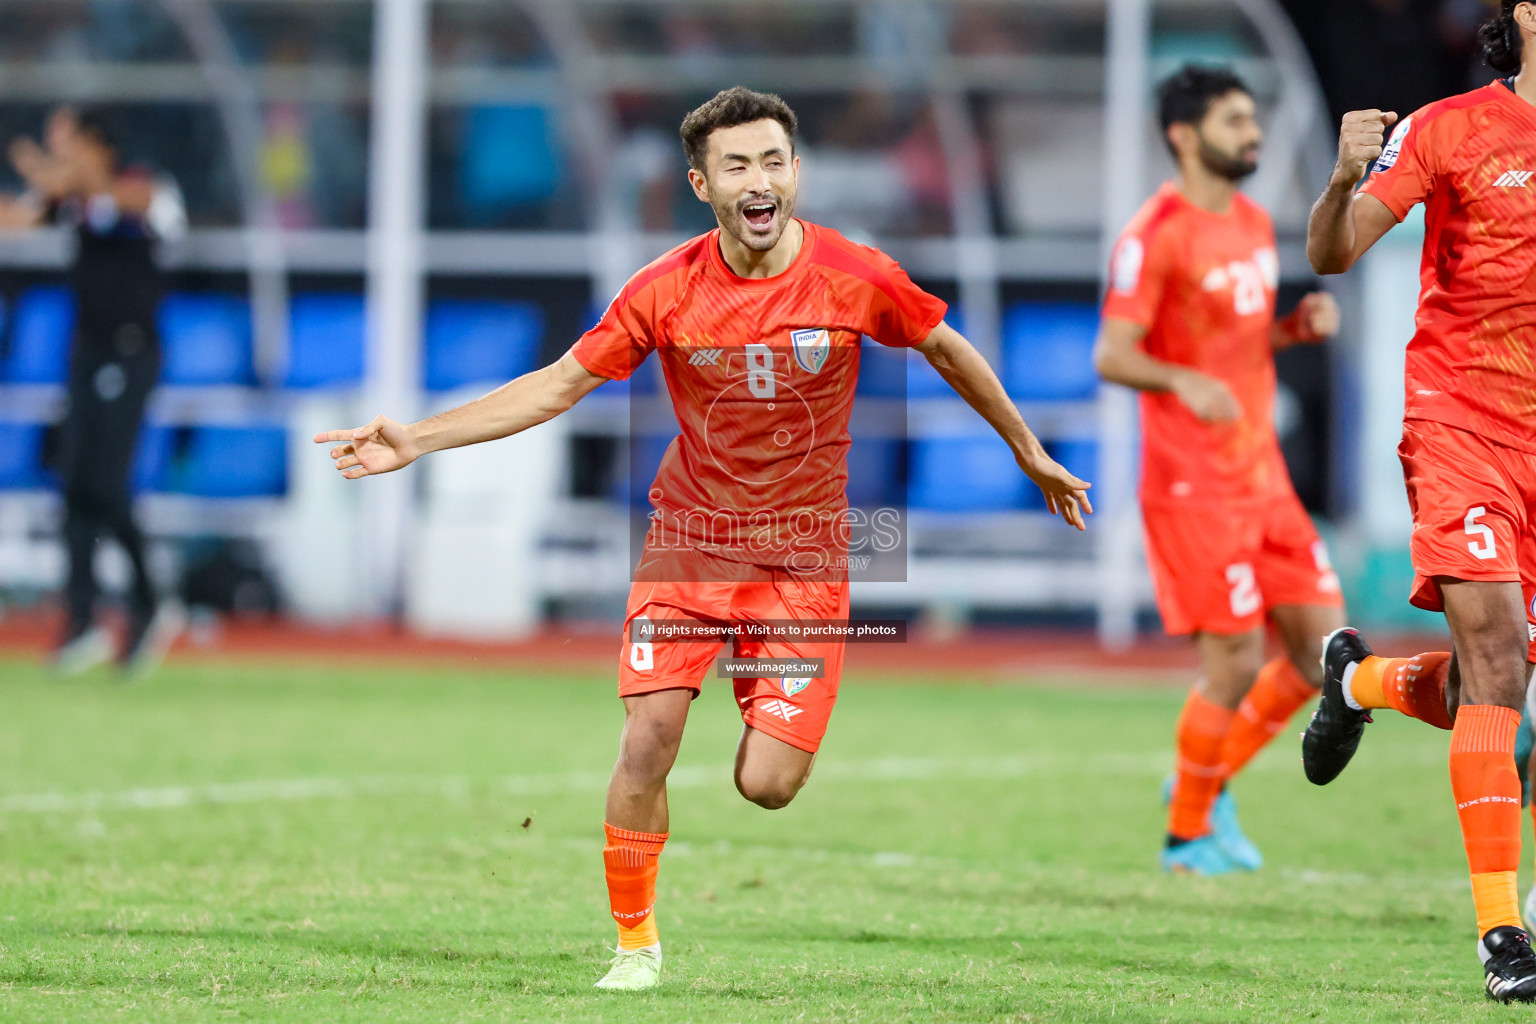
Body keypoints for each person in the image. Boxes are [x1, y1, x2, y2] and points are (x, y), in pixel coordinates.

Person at [317, 86, 1091, 992]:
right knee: (649, 737)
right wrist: (419, 437)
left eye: (772, 161)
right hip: (691, 542)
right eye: (736, 165)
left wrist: (1028, 449)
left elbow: (948, 347)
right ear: (702, 184)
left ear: (795, 173)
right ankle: (634, 944)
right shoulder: (666, 289)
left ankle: (759, 686)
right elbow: (557, 385)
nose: (757, 179)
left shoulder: (855, 274)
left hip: (806, 559)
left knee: (767, 785)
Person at [1301, 0, 1536, 1001]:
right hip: (1463, 422)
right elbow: (1335, 251)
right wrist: (1345, 173)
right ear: (1520, 14)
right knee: (1499, 658)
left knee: (1504, 681)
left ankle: (1358, 684)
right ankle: (1502, 936)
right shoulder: (1450, 127)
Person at [1094, 66, 1345, 876]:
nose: (1252, 132)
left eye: (1253, 117)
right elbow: (1113, 353)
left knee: (1320, 654)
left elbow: (1232, 344)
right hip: (1191, 484)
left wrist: (1290, 332)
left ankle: (1196, 788)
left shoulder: (1250, 222)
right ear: (1184, 134)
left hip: (1261, 477)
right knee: (1234, 663)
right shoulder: (1154, 234)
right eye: (1235, 119)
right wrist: (1181, 380)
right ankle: (1187, 834)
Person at [0, 106, 185, 675]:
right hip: (86, 354)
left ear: (96, 144)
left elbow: (130, 200)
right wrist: (45, 186)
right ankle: (81, 619)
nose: (60, 156)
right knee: (74, 481)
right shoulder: (70, 198)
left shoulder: (143, 184)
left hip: (132, 353)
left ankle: (150, 604)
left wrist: (46, 170)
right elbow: (18, 219)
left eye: (67, 143)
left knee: (107, 484)